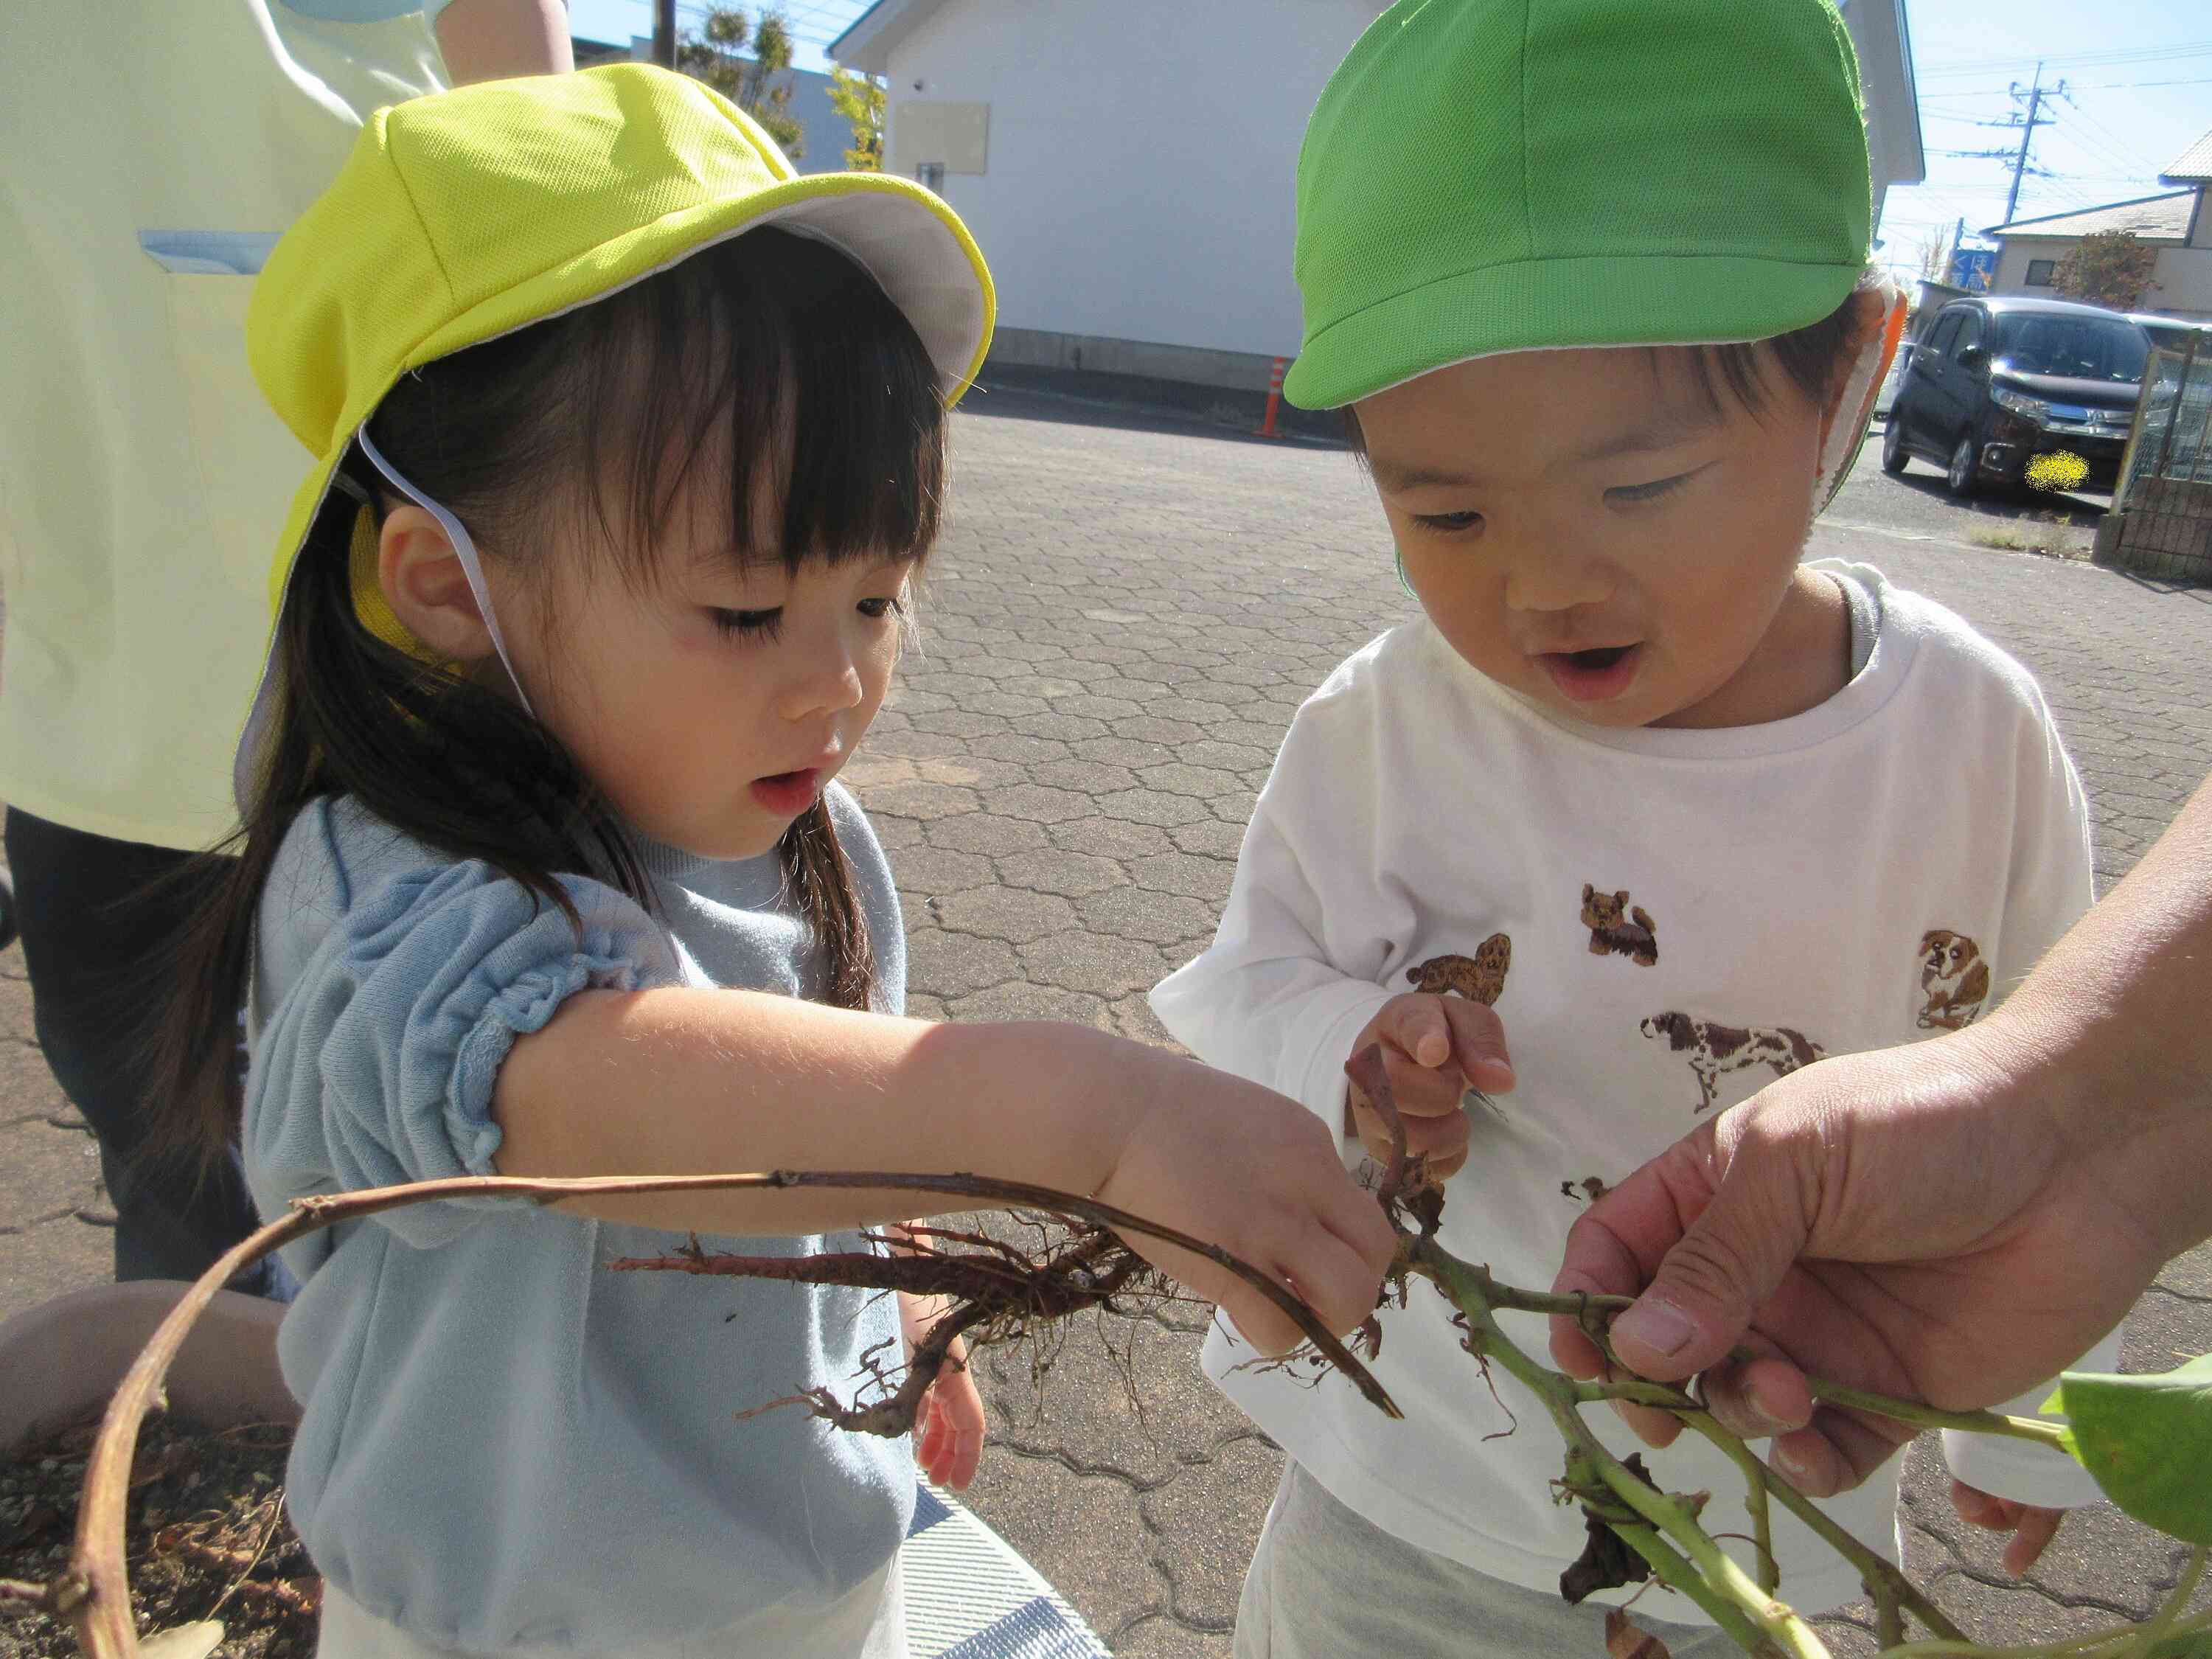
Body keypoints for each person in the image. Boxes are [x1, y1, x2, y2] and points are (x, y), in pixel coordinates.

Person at [144, 66, 1394, 1658]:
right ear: (448, 588)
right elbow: (581, 1094)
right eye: (745, 611)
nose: (841, 681)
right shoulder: (382, 888)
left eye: (876, 598)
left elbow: (828, 1130)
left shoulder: (811, 843)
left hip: (818, 1593)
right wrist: (1096, 1119)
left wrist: (909, 1289)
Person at [1147, 1, 2122, 1652]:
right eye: (1445, 510)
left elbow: (2062, 1089)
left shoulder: (1969, 737)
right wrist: (1350, 1053)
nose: (1545, 586)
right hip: (1415, 1492)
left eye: (1642, 488)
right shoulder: (1392, 727)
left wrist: (2030, 1413)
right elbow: (1246, 980)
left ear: (1854, 371)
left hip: (1774, 1511)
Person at [0, 0, 568, 1295]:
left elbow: (524, 105)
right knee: (179, 1199)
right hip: (78, 713)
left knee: (429, 1208)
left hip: (386, 734)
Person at [1549, 771, 2212, 1548]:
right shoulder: (1426, 734)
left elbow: (2085, 1091)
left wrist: (2032, 1439)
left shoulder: (1980, 747)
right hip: (1454, 1458)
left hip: (1782, 1487)